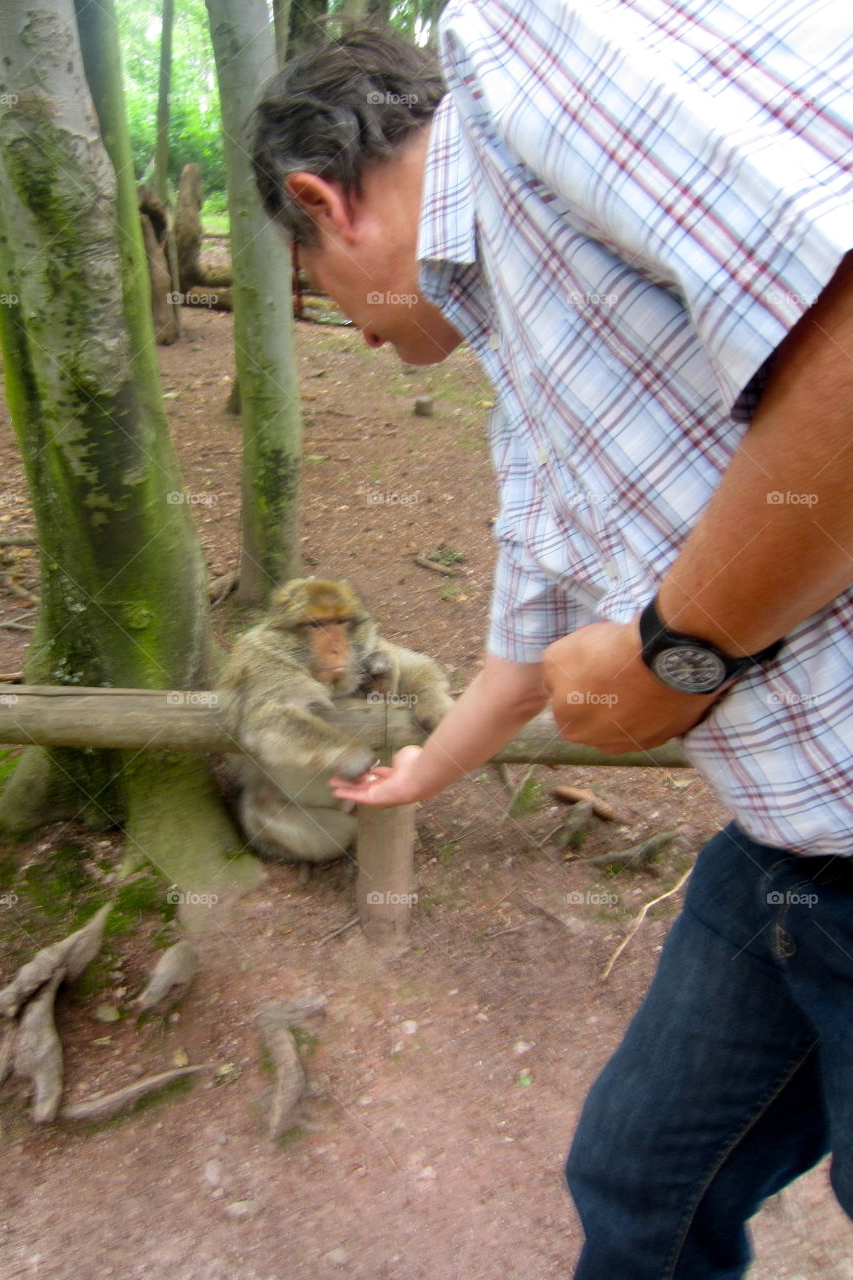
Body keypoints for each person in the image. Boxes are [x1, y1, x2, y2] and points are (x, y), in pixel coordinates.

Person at [251, 4, 853, 1276]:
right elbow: (529, 655)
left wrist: (673, 654)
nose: (353, 327)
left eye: (318, 293)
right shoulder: (517, 353)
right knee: (638, 1177)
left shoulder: (528, 54)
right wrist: (420, 771)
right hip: (793, 846)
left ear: (324, 202)